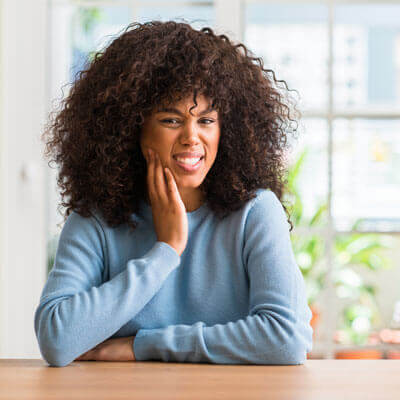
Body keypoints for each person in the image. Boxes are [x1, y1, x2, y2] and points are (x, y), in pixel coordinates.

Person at [34, 20, 313, 367]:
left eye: (206, 121)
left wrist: (143, 346)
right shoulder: (97, 218)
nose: (191, 138)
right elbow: (57, 340)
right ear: (130, 128)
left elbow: (287, 339)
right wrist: (165, 251)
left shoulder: (255, 212)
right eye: (171, 120)